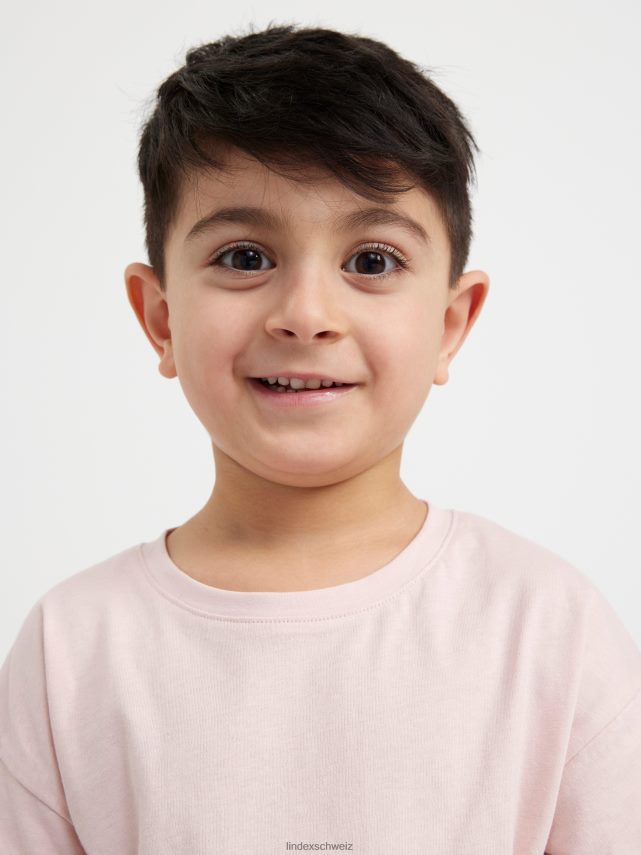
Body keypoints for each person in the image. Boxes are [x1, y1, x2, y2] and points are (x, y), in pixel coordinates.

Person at [1, 22, 639, 854]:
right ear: (159, 317)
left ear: (451, 324)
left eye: (371, 262)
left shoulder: (550, 629)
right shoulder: (71, 648)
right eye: (244, 256)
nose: (305, 315)